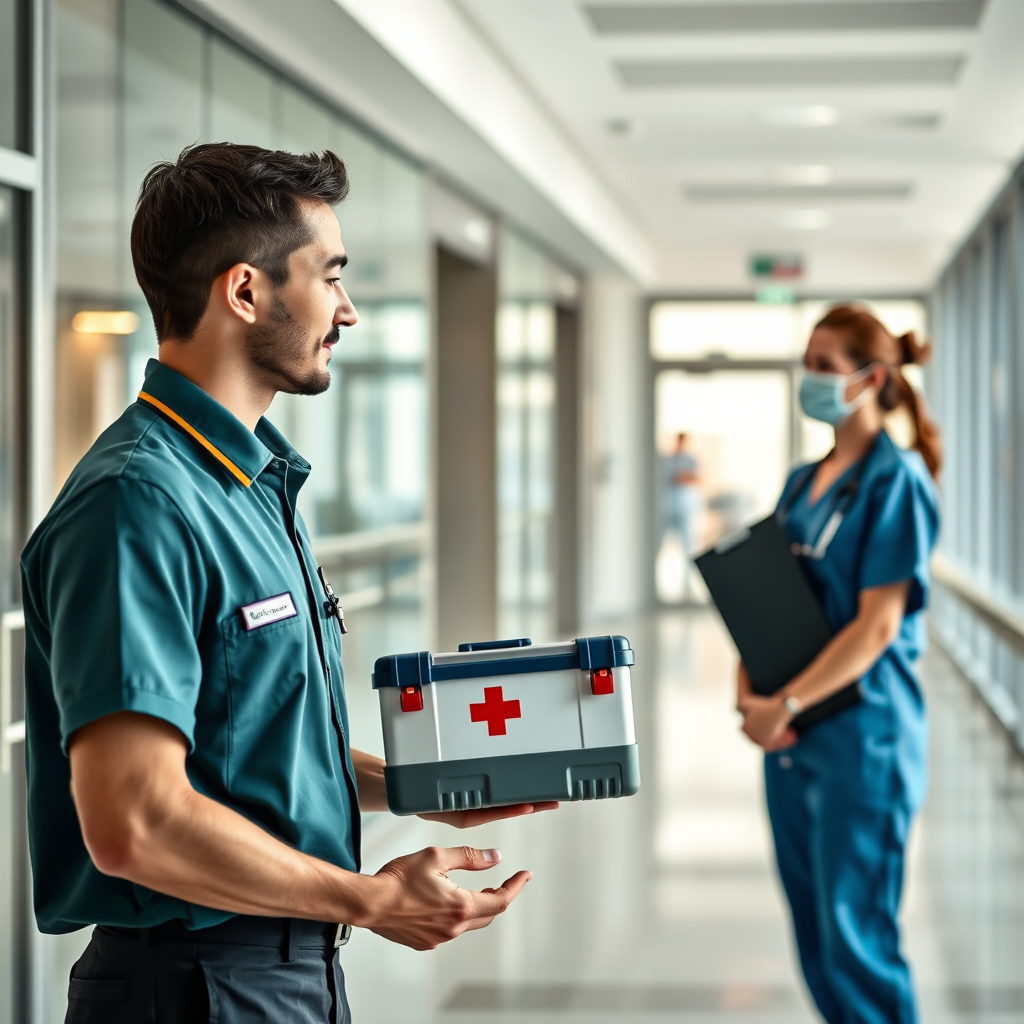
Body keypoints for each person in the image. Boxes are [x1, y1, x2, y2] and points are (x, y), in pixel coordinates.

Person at [22, 143, 555, 1024]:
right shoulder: (138, 503)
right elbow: (135, 820)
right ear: (245, 292)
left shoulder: (249, 486)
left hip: (284, 969)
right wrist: (369, 899)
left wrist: (415, 784)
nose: (346, 310)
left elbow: (236, 749)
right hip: (192, 987)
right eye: (330, 276)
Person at [735, 304, 941, 1024]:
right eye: (809, 364)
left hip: (864, 740)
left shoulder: (898, 482)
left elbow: (878, 623)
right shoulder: (802, 482)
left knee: (859, 939)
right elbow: (762, 594)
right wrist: (750, 702)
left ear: (870, 379)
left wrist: (784, 706)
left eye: (824, 366)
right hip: (790, 740)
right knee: (818, 936)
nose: (810, 379)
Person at [663, 431, 702, 596]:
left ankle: (686, 583)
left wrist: (680, 477)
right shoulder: (668, 459)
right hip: (668, 508)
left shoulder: (691, 459)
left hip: (685, 508)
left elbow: (695, 478)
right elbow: (666, 479)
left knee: (688, 546)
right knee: (661, 544)